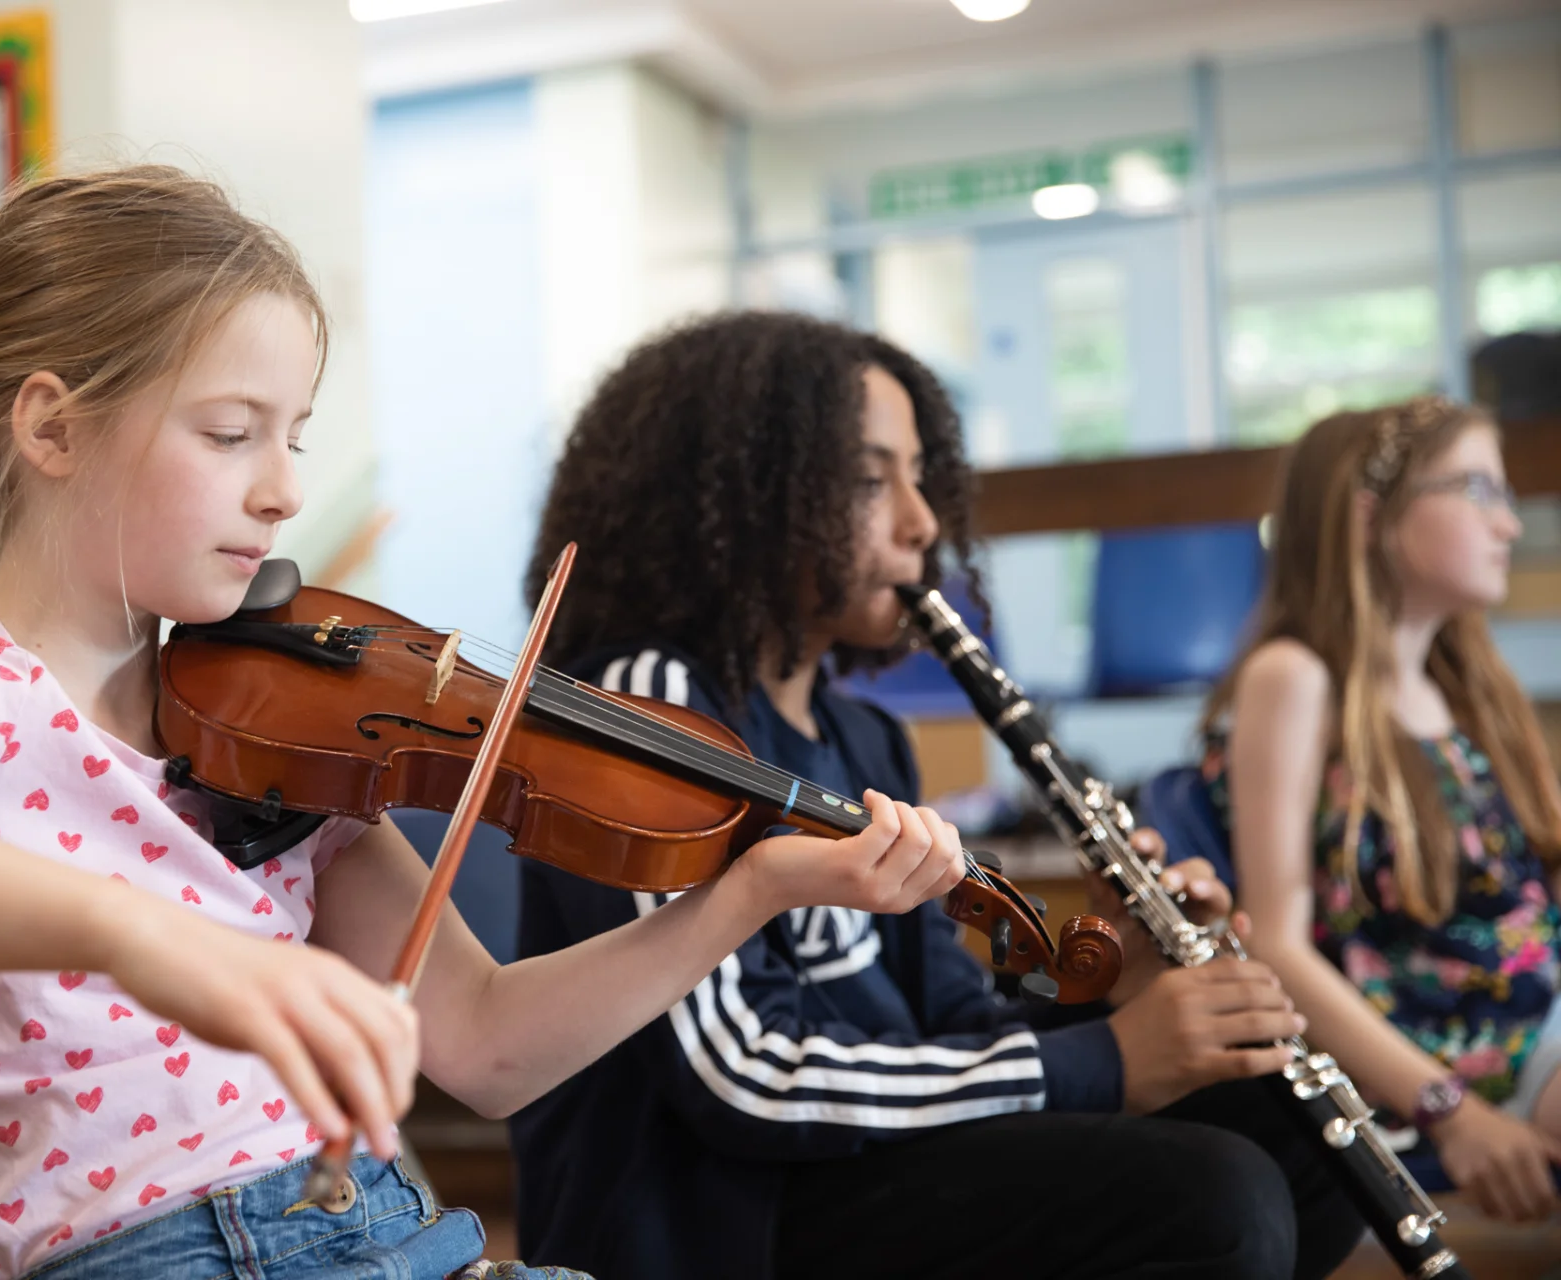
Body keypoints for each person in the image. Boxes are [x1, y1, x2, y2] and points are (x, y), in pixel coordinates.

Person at [0, 169, 969, 1280]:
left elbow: (486, 1046)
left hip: (387, 1232)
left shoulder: (279, 735)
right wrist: (139, 936)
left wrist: (745, 894)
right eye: (230, 433)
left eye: (295, 436)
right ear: (51, 426)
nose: (285, 488)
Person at [510, 311, 1366, 1280]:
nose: (923, 522)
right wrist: (1104, 1061)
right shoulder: (647, 706)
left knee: (1300, 1128)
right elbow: (743, 1077)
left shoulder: (866, 736)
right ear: (745, 494)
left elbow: (953, 1019)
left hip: (867, 1165)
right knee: (1214, 1196)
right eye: (872, 480)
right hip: (717, 1217)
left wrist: (1108, 983)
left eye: (920, 476)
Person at [1204, 396, 1561, 1224]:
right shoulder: (1294, 678)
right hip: (1471, 1054)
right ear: (1369, 516)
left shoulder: (1462, 684)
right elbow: (1280, 949)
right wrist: (1448, 1110)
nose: (1507, 524)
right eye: (1477, 489)